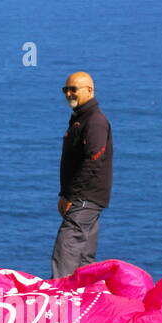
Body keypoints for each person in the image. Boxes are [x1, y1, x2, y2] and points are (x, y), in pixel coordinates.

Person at [51, 71, 113, 278]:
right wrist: (64, 193)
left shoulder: (95, 121)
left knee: (66, 246)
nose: (68, 93)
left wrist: (71, 195)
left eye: (73, 89)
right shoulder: (81, 118)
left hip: (85, 197)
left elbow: (92, 160)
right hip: (86, 197)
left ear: (89, 90)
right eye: (65, 89)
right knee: (84, 251)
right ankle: (86, 294)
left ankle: (57, 297)